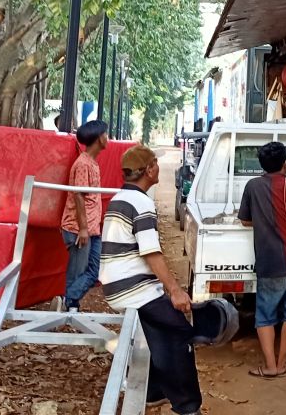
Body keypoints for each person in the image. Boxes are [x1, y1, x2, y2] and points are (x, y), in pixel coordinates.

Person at [100, 145, 201, 415]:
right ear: (148, 170)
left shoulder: (121, 198)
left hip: (116, 284)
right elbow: (152, 253)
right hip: (131, 288)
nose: (158, 168)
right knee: (179, 331)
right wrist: (175, 290)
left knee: (159, 328)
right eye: (155, 164)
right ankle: (188, 406)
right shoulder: (142, 203)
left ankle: (154, 392)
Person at [238, 141, 286, 379]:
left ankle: (270, 366)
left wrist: (263, 221)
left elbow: (244, 220)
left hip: (270, 263)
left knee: (265, 315)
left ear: (262, 165)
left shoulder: (252, 187)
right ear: (285, 163)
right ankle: (282, 363)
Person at [59, 119, 108, 311]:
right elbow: (78, 195)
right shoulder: (83, 164)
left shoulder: (92, 163)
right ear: (98, 139)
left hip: (92, 227)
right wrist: (84, 228)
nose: (107, 137)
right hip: (79, 228)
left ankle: (68, 300)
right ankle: (70, 305)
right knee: (77, 272)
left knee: (94, 271)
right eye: (105, 134)